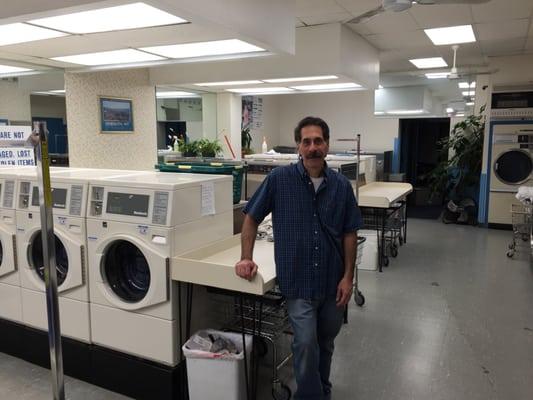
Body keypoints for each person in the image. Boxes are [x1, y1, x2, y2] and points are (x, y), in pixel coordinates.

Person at [235, 116, 362, 400]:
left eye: (318, 141)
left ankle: (322, 390)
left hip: (332, 281)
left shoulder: (341, 186)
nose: (313, 147)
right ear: (298, 147)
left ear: (326, 145)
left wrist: (348, 277)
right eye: (307, 142)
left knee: (325, 343)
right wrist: (246, 257)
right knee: (305, 343)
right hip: (298, 282)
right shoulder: (279, 180)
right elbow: (251, 217)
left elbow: (350, 233)